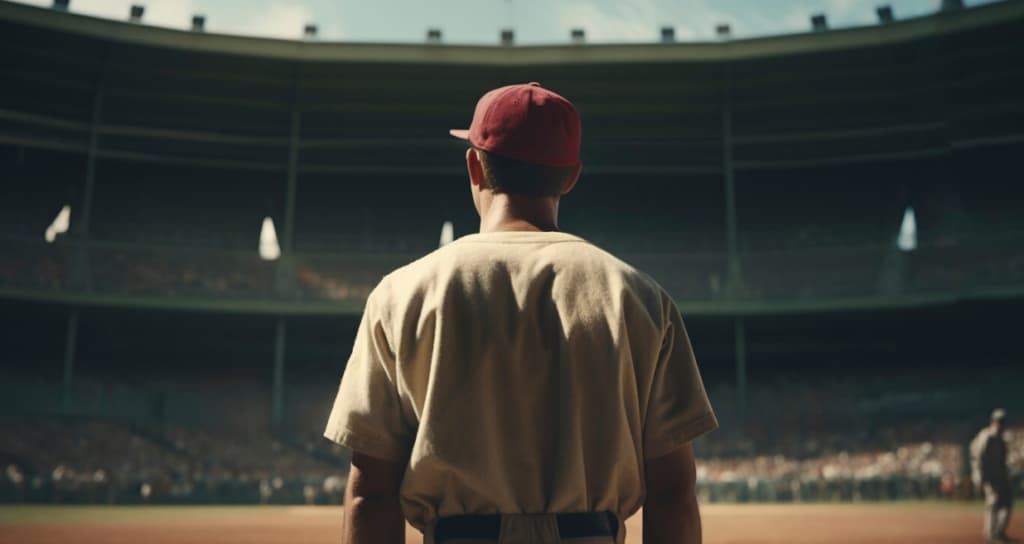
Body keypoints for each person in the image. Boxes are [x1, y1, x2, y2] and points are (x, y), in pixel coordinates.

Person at [324, 82, 718, 544]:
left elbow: (371, 493)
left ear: (475, 167)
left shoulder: (400, 294)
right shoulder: (641, 298)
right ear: (571, 176)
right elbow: (673, 492)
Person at [971, 409, 1015, 543]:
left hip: (1001, 476)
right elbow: (977, 457)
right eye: (999, 421)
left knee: (1007, 504)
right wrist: (978, 475)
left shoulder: (1002, 438)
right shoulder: (986, 436)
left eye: (1003, 422)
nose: (1001, 424)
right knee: (993, 503)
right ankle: (991, 536)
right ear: (993, 421)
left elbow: (1003, 460)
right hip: (989, 477)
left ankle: (999, 532)